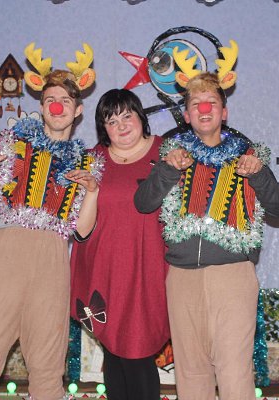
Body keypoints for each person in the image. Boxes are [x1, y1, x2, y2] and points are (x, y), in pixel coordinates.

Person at [134, 70, 279, 400]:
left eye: (211, 102)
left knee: (234, 371)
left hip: (233, 277)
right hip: (182, 278)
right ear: (187, 115)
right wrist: (167, 170)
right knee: (191, 372)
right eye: (196, 104)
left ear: (224, 112)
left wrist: (259, 175)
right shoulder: (174, 157)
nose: (204, 109)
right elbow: (143, 202)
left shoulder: (248, 158)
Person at [0, 69, 101, 400]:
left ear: (78, 110)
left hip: (52, 261)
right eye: (50, 100)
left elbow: (81, 231)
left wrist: (92, 191)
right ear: (42, 106)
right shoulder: (14, 145)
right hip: (7, 254)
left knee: (49, 363)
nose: (57, 106)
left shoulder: (86, 162)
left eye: (65, 101)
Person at [70, 89, 170, 400]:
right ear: (103, 128)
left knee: (137, 350)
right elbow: (80, 227)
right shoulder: (93, 160)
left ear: (141, 117)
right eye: (111, 121)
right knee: (113, 350)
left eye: (127, 116)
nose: (121, 125)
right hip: (104, 269)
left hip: (148, 269)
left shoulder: (167, 153)